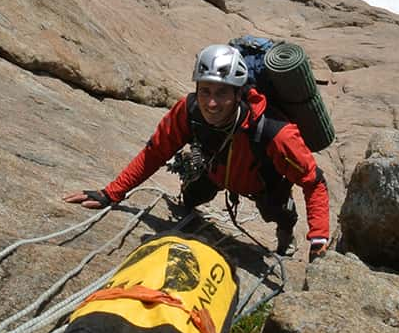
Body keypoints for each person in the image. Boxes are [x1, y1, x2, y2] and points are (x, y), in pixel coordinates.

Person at [64, 44, 329, 261]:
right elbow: (155, 153)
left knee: (276, 213)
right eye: (205, 91)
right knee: (191, 197)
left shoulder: (274, 132)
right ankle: (190, 207)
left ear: (239, 94)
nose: (211, 103)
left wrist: (318, 237)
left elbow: (313, 182)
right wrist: (111, 193)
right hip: (212, 171)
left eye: (222, 93)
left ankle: (286, 235)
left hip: (263, 184)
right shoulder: (188, 110)